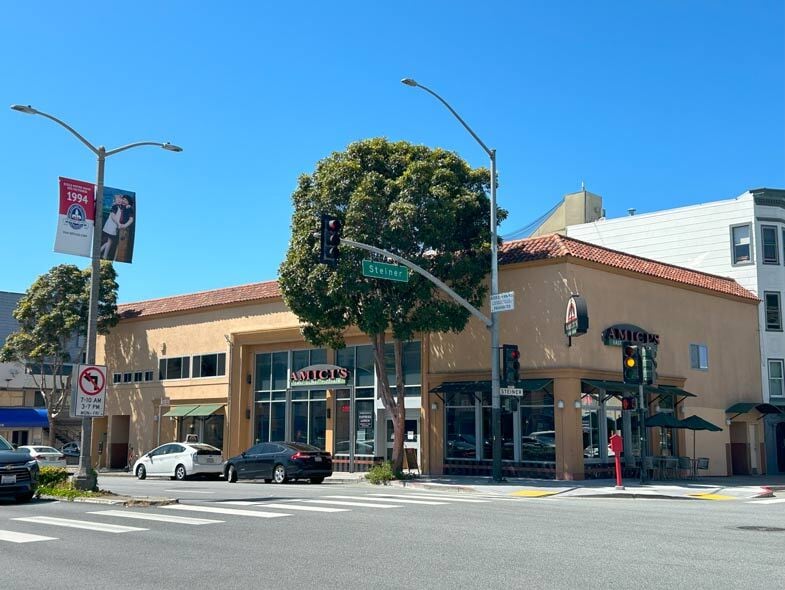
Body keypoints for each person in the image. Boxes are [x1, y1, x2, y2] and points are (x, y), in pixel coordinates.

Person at [99, 194, 123, 259]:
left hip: (112, 226)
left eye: (120, 199)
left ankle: (101, 251)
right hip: (111, 226)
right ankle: (104, 256)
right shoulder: (115, 206)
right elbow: (113, 216)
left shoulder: (118, 207)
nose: (119, 200)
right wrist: (118, 223)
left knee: (110, 241)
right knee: (110, 241)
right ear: (115, 200)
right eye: (117, 199)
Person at [114, 196, 135, 262]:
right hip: (118, 227)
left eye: (126, 200)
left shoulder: (129, 208)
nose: (123, 201)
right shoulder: (121, 207)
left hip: (124, 229)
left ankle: (119, 258)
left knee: (122, 246)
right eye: (123, 199)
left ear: (129, 202)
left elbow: (131, 219)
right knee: (115, 244)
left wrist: (124, 226)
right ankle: (115, 257)